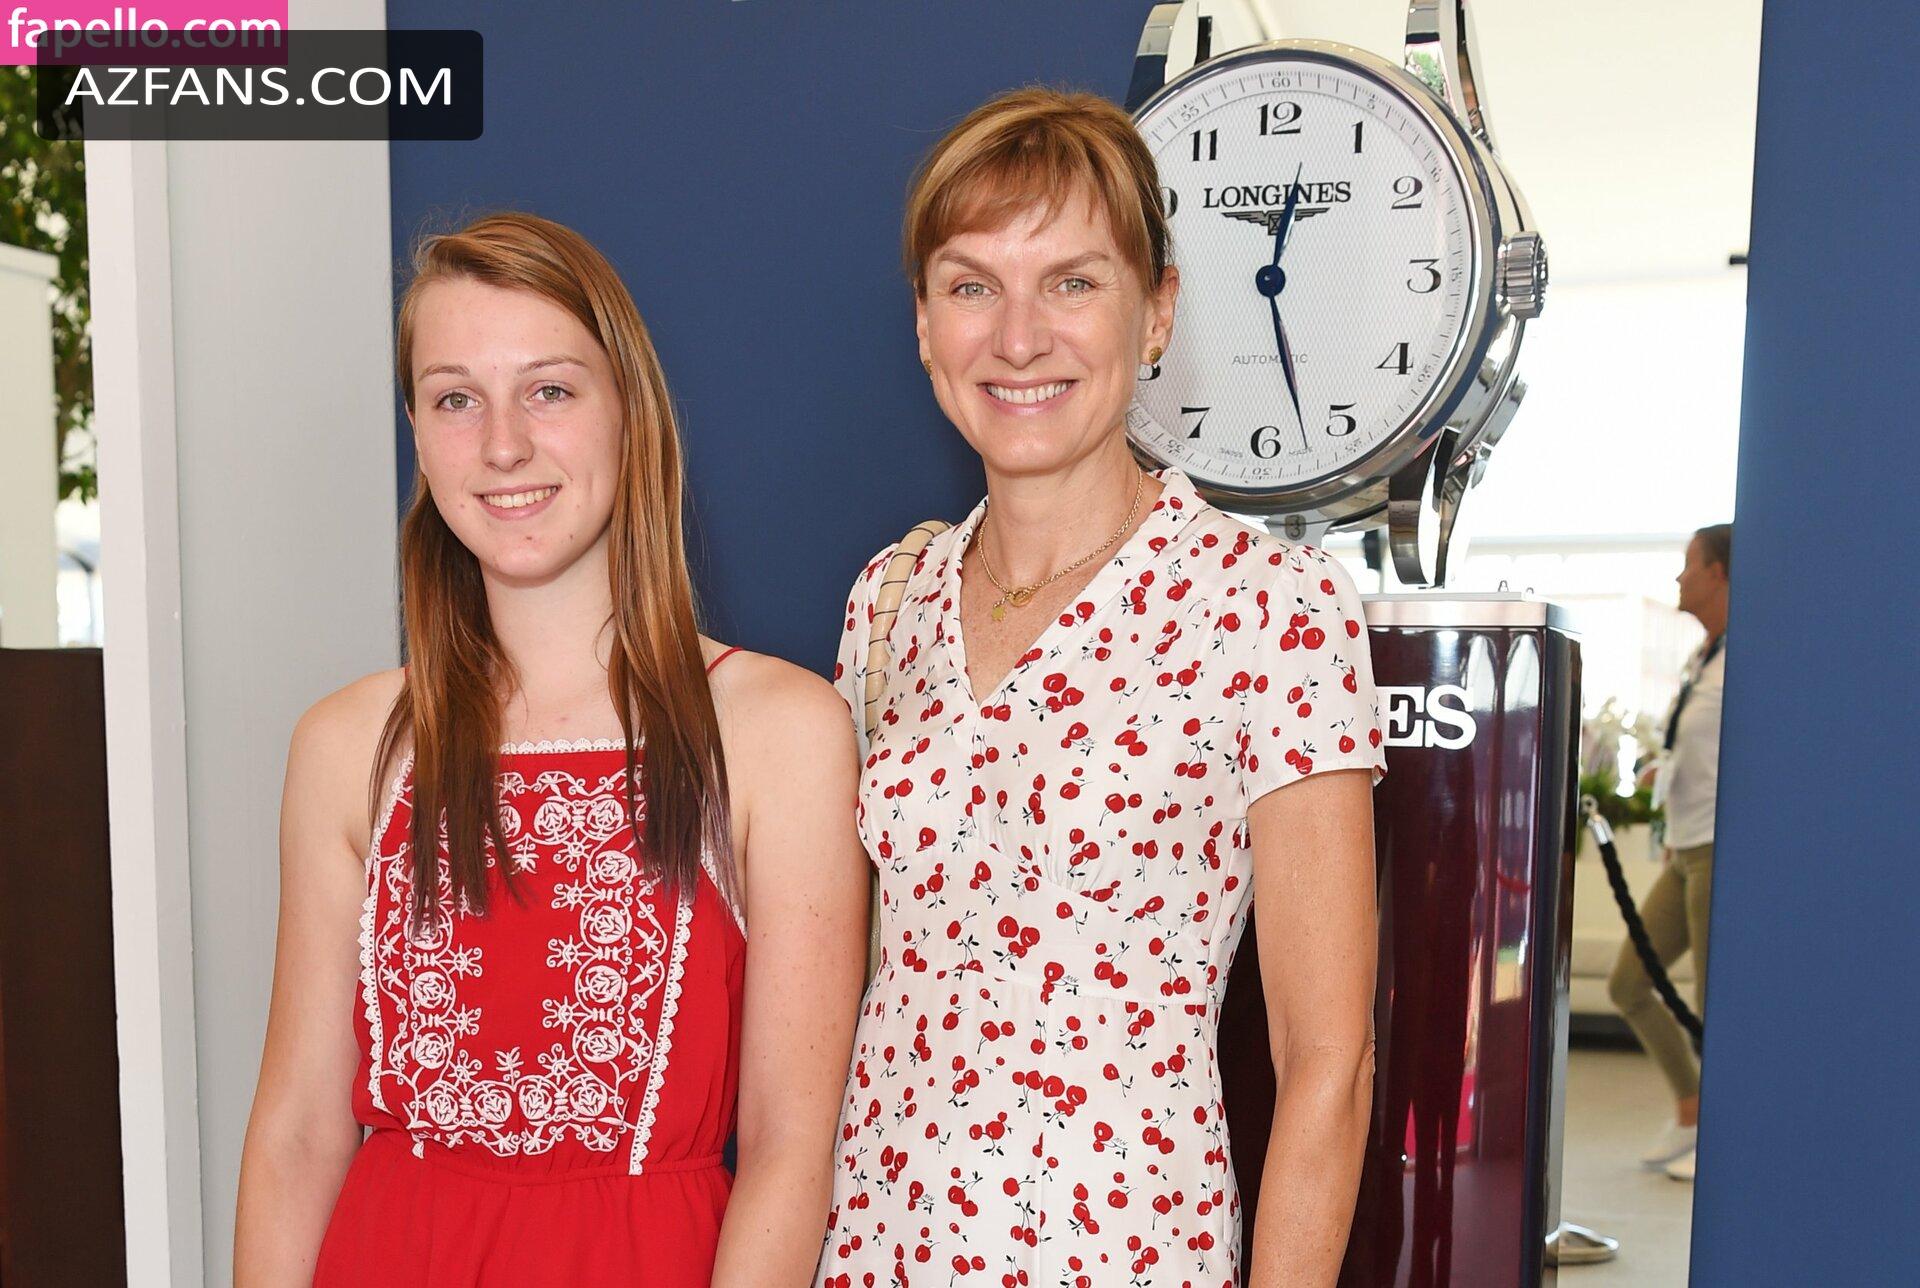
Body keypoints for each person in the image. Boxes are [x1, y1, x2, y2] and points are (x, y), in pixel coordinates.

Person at [816, 89, 1387, 1286]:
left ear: (1158, 310)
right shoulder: (888, 600)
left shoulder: (1269, 607)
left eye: (1072, 282)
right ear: (924, 322)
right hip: (874, 1250)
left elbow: (1327, 1064)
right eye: (972, 286)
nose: (1018, 337)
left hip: (1126, 1251)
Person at [233, 212, 867, 1285]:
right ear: (417, 433)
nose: (503, 446)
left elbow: (789, 1149)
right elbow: (297, 1133)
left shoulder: (778, 732)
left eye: (550, 390)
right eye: (455, 399)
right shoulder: (347, 746)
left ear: (630, 409)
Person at [1611, 522, 1731, 1184]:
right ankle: (1691, 1107)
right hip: (1682, 849)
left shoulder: (1747, 657)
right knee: (1629, 983)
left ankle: (1720, 1137)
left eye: (1689, 565)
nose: (1679, 578)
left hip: (1717, 848)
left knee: (1715, 1008)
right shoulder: (1702, 657)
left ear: (1718, 573)